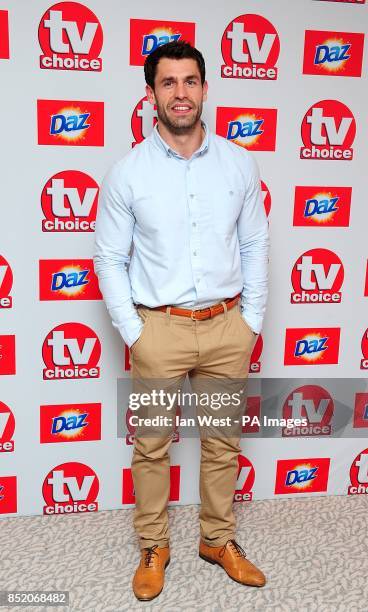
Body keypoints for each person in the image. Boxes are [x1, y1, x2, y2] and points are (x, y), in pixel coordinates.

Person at [93, 40, 269, 602]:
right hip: (159, 332)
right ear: (150, 95)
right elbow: (109, 258)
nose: (180, 93)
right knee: (151, 446)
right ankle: (154, 544)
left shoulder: (239, 164)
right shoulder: (129, 173)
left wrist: (251, 320)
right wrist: (134, 331)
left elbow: (255, 244)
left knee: (222, 443)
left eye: (189, 81)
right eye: (167, 83)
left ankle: (217, 540)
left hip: (225, 330)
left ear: (204, 88)